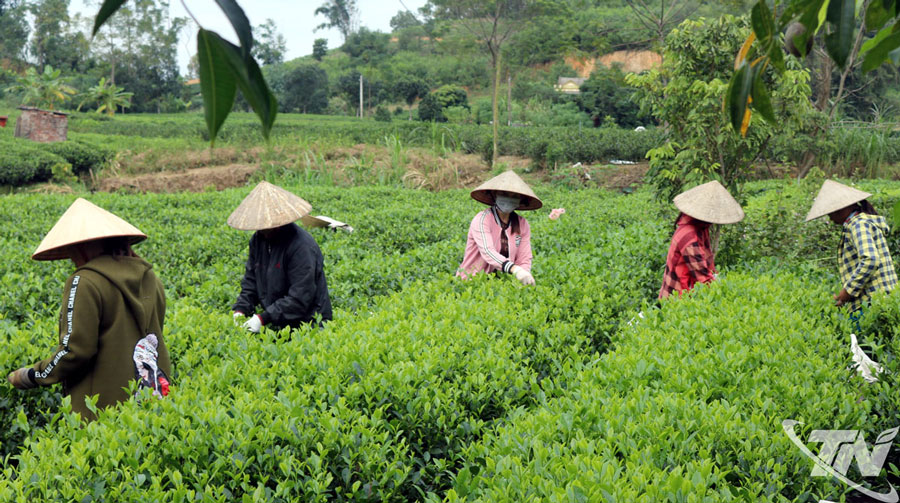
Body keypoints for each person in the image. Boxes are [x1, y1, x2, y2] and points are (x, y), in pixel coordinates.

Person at [6, 198, 170, 420]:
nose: (72, 258)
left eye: (71, 249)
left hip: (102, 412)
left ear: (83, 246)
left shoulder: (83, 281)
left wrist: (33, 375)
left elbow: (75, 351)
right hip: (154, 401)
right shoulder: (150, 277)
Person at [229, 181, 333, 331]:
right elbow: (251, 280)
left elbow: (300, 296)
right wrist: (240, 309)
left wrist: (262, 318)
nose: (262, 229)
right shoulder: (258, 240)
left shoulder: (301, 246)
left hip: (309, 324)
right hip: (277, 321)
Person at [805, 180, 898, 313]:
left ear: (841, 208)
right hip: (884, 300)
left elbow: (870, 260)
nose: (829, 217)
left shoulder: (858, 225)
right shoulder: (861, 222)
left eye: (830, 212)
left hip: (871, 303)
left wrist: (848, 291)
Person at [659, 180, 744, 299]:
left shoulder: (700, 228)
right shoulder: (689, 235)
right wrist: (726, 295)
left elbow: (707, 264)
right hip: (676, 297)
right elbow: (702, 276)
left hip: (687, 290)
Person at [457, 170, 541, 285]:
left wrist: (523, 274)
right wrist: (514, 269)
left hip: (502, 284)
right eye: (505, 194)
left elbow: (524, 257)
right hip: (473, 281)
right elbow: (487, 251)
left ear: (520, 200)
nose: (509, 198)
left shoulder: (522, 224)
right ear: (495, 195)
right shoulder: (482, 219)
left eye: (514, 196)